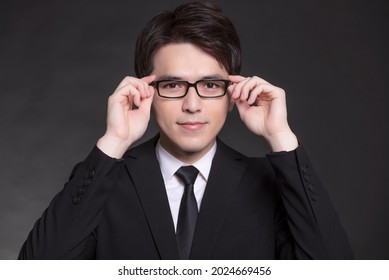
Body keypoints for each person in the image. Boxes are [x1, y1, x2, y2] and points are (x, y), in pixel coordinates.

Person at [19, 1, 353, 259]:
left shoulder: (270, 183)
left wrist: (282, 137)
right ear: (145, 91)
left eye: (210, 85)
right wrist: (114, 142)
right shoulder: (105, 179)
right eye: (173, 85)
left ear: (231, 93)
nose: (192, 104)